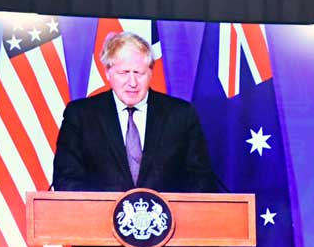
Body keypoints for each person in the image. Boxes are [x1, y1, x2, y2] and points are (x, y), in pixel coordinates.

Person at [52, 31, 221, 193]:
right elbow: (66, 180)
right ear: (108, 73)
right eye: (124, 73)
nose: (132, 82)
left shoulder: (181, 115)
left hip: (168, 220)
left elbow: (200, 180)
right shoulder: (80, 116)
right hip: (98, 221)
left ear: (150, 74)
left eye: (139, 73)